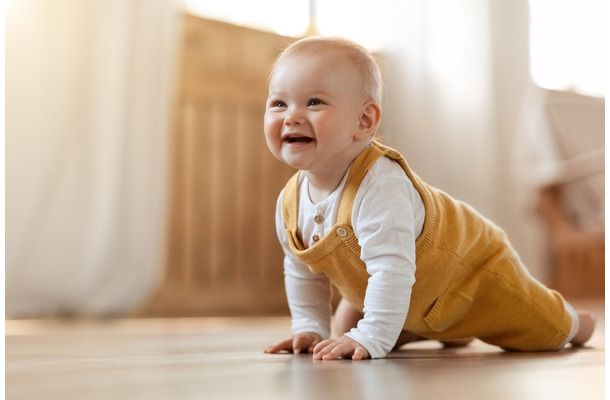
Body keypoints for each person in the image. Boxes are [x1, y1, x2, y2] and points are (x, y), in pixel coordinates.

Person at [262, 36, 595, 360]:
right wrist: (310, 329)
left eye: (314, 102)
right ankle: (430, 328)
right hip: (405, 288)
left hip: (470, 272)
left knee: (542, 331)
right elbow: (302, 270)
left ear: (364, 121)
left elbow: (392, 269)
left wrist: (374, 335)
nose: (290, 116)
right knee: (344, 331)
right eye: (279, 103)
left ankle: (578, 323)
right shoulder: (290, 203)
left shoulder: (380, 186)